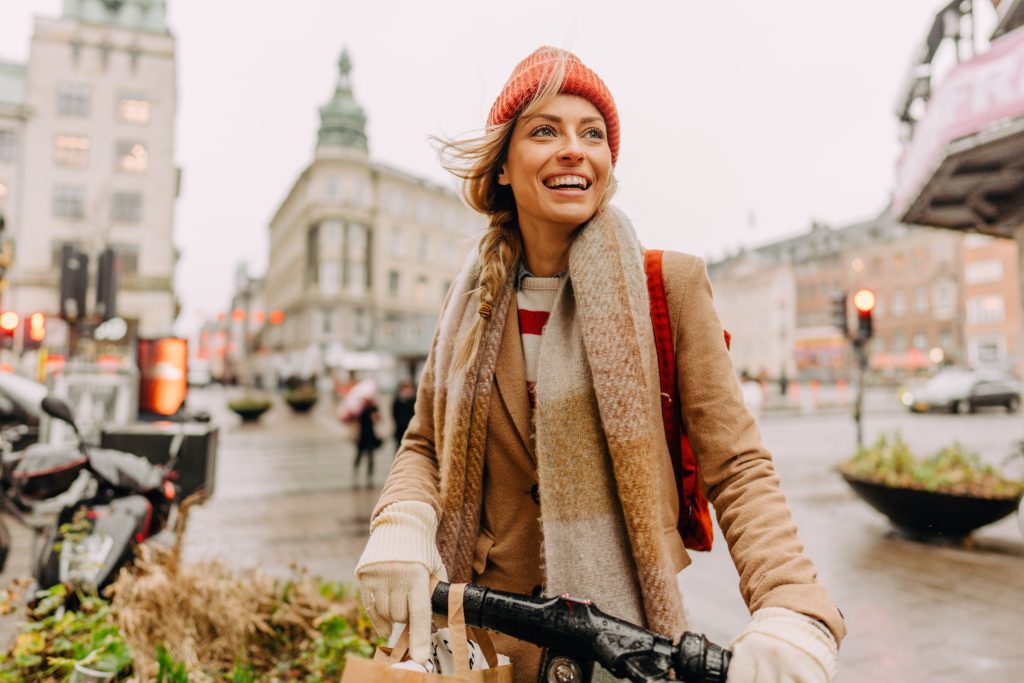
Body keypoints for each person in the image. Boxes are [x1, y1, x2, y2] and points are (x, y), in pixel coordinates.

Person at [355, 47, 845, 682]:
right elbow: (424, 442)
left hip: (623, 650)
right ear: (503, 165)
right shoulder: (468, 301)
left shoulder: (669, 287)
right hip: (479, 647)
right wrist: (402, 520)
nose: (574, 149)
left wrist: (791, 605)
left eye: (593, 134)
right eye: (544, 131)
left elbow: (738, 467)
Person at [353, 396, 382, 488]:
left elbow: (378, 420)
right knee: (359, 454)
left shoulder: (374, 409)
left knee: (370, 456)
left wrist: (375, 417)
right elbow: (357, 422)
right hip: (362, 436)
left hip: (370, 435)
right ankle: (356, 471)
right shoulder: (360, 409)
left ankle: (370, 475)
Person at [391, 379, 416, 451]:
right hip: (400, 427)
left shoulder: (413, 399)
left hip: (410, 426)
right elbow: (394, 413)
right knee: (399, 445)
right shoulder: (397, 400)